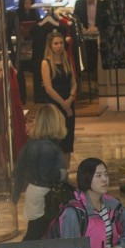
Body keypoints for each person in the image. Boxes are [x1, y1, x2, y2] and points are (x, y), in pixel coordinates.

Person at [11, 104, 67, 240]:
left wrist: (16, 191)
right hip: (44, 195)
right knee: (36, 233)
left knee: (37, 231)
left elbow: (19, 169)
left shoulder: (32, 142)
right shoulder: (47, 147)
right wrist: (63, 173)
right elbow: (47, 175)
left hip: (34, 191)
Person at [40, 30, 77, 161]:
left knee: (68, 141)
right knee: (56, 140)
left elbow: (74, 82)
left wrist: (70, 99)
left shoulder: (67, 60)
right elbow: (49, 89)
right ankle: (56, 173)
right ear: (50, 45)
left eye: (61, 43)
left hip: (69, 103)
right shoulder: (46, 63)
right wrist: (64, 103)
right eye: (56, 43)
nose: (59, 46)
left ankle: (65, 173)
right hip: (55, 106)